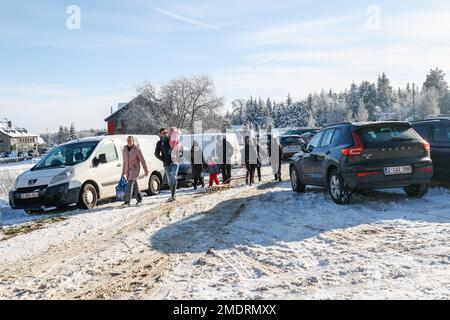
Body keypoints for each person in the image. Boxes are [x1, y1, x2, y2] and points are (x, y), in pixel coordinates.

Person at [155, 127, 181, 202]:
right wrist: (162, 159)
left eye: (166, 132)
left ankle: (173, 195)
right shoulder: (159, 143)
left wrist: (179, 155)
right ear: (161, 134)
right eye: (163, 133)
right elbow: (156, 153)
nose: (165, 134)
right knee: (170, 180)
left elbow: (179, 147)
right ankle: (172, 195)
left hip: (175, 162)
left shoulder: (172, 139)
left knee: (174, 175)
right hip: (166, 164)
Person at [122, 136, 149, 206]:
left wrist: (146, 170)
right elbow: (124, 162)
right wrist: (123, 173)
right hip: (128, 170)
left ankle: (127, 201)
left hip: (135, 169)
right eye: (128, 140)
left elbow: (142, 160)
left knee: (130, 185)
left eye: (130, 140)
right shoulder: (124, 149)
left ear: (133, 141)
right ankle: (139, 199)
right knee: (135, 186)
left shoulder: (137, 149)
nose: (129, 142)